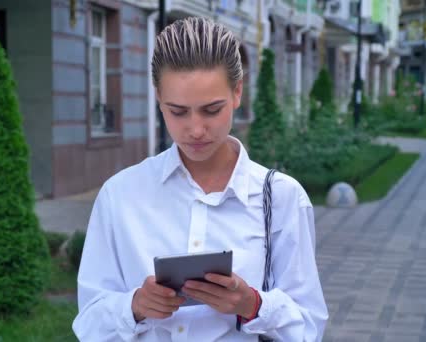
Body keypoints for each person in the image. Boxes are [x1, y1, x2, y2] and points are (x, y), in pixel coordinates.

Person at [73, 17, 327, 341]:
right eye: (178, 111)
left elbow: (308, 328)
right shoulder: (120, 196)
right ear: (158, 99)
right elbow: (89, 324)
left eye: (211, 110)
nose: (195, 129)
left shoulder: (282, 198)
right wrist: (135, 306)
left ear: (237, 92)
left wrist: (253, 305)